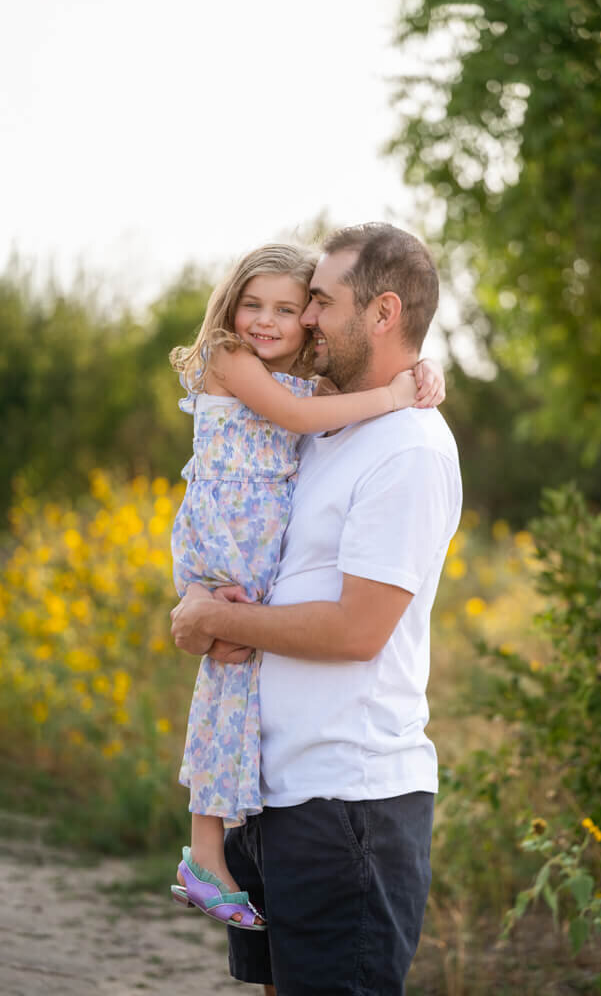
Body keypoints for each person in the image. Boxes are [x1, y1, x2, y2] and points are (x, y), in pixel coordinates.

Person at [170, 223, 462, 995]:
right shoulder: (335, 425)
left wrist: (216, 621)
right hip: (279, 796)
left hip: (351, 810)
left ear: (383, 312)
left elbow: (357, 631)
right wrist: (204, 598)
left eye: (319, 303)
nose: (302, 322)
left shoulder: (409, 449)